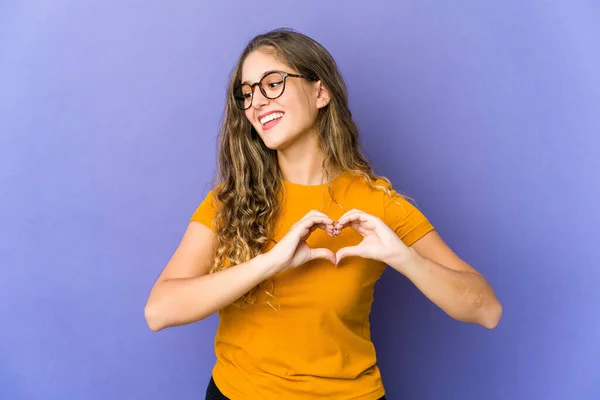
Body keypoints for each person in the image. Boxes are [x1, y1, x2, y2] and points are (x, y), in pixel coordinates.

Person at [144, 28, 502, 400]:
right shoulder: (229, 202)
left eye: (272, 83)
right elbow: (159, 311)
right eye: (247, 93)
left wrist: (406, 259)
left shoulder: (378, 203)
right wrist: (269, 263)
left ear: (320, 92)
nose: (256, 102)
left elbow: (487, 310)